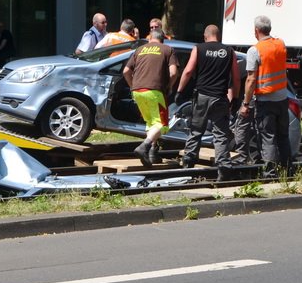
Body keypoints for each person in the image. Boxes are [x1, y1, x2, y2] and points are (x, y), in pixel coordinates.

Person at [174, 24, 239, 181]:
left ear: (205, 36)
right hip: (220, 98)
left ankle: (188, 163)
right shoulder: (229, 52)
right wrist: (235, 98)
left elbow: (188, 71)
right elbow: (235, 78)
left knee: (196, 130)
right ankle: (223, 167)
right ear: (219, 36)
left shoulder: (199, 48)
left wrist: (179, 91)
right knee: (221, 134)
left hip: (202, 96)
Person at [239, 14, 291, 177]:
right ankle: (288, 170)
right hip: (282, 99)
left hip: (266, 101)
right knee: (283, 136)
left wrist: (245, 104)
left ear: (256, 31)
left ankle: (270, 173)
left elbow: (251, 79)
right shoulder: (280, 44)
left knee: (268, 137)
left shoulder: (255, 50)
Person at [123, 28, 179, 167]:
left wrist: (132, 85)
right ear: (162, 39)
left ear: (150, 39)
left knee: (151, 123)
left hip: (137, 91)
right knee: (162, 124)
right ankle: (144, 147)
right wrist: (169, 86)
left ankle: (151, 154)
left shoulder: (140, 49)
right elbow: (173, 73)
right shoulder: (167, 49)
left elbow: (126, 71)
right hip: (155, 91)